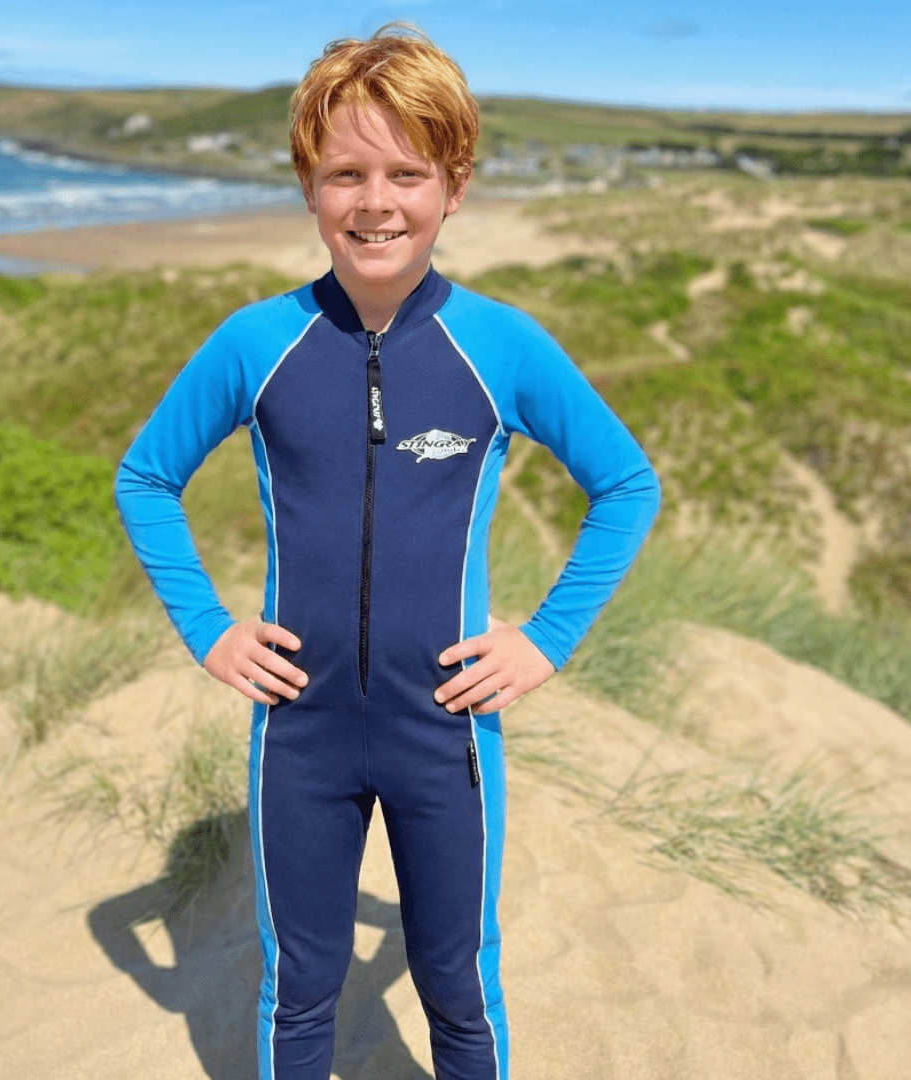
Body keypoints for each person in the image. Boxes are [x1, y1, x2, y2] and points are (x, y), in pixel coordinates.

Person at [115, 25, 660, 1080]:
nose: (376, 202)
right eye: (345, 174)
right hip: (300, 736)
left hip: (446, 736)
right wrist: (208, 630)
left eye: (408, 173)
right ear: (308, 189)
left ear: (452, 187)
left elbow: (627, 485)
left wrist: (544, 642)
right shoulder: (254, 344)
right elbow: (144, 478)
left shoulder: (499, 345)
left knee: (459, 985)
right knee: (298, 989)